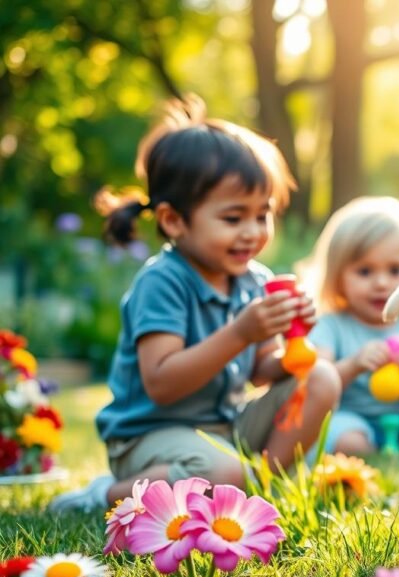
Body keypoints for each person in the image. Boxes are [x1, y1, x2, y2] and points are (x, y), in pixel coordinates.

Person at [49, 96, 341, 512]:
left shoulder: (253, 280)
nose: (252, 232)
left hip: (223, 428)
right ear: (173, 221)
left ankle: (259, 490)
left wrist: (297, 350)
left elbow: (260, 370)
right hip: (150, 434)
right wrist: (242, 331)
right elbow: (163, 384)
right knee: (223, 472)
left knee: (323, 379)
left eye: (263, 215)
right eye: (233, 218)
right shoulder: (162, 282)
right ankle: (105, 495)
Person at [298, 196, 399, 459]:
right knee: (348, 441)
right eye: (365, 272)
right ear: (337, 276)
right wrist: (354, 364)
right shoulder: (331, 324)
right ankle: (370, 452)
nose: (381, 283)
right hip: (355, 420)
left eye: (395, 270)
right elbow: (313, 382)